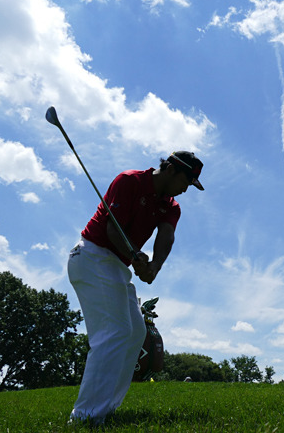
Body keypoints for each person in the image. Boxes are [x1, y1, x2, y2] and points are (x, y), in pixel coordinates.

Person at [67, 151, 204, 425]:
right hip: (93, 256)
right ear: (172, 171)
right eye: (187, 182)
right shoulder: (129, 181)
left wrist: (154, 266)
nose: (186, 190)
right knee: (115, 333)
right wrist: (135, 256)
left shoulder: (171, 206)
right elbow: (111, 231)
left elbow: (166, 236)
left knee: (135, 334)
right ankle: (85, 418)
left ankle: (104, 409)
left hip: (116, 265)